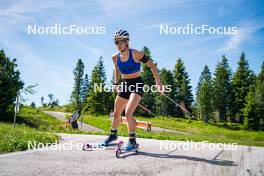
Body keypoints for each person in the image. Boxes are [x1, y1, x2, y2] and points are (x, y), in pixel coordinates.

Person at [101, 29, 163, 151]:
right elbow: (117, 70)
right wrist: (115, 83)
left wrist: (158, 82)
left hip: (137, 83)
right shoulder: (115, 57)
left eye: (121, 42)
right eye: (116, 42)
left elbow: (152, 65)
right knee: (116, 112)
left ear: (127, 42)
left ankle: (132, 141)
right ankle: (113, 135)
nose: (119, 45)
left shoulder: (136, 54)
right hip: (125, 84)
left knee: (128, 112)